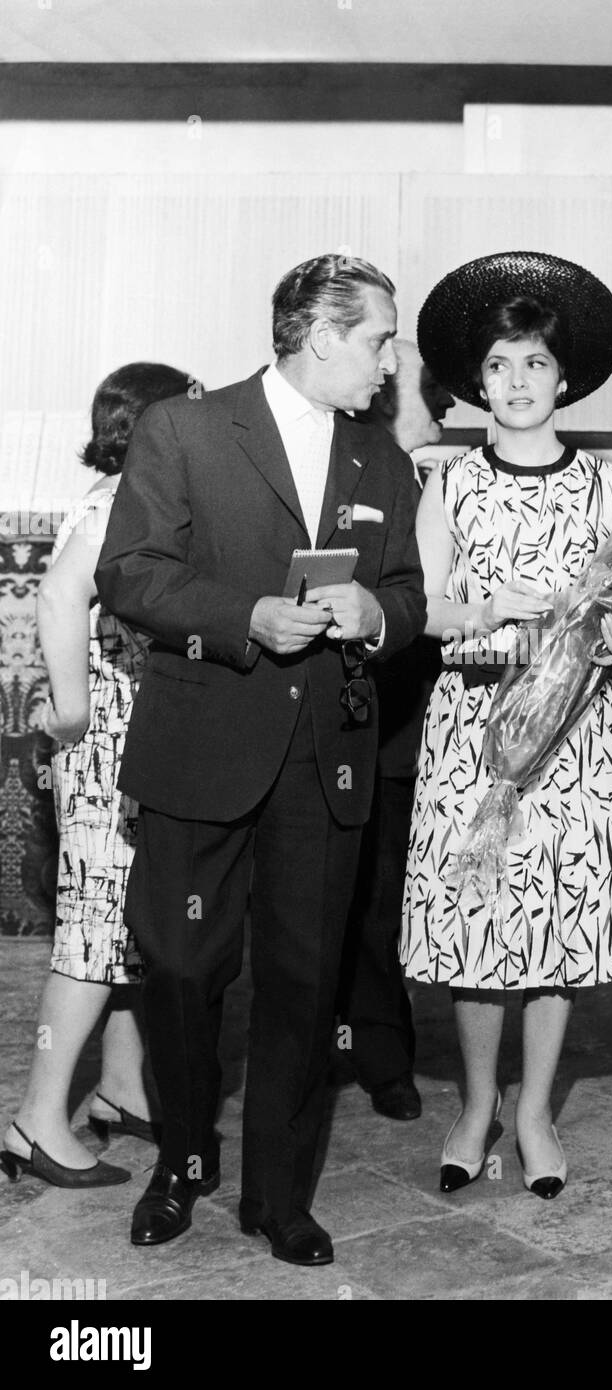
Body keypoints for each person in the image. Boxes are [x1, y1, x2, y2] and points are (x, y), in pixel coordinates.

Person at [95, 254, 426, 1265]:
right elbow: (132, 573)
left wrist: (380, 613)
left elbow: (409, 591)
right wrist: (243, 617)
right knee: (182, 969)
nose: (389, 362)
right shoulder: (185, 429)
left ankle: (279, 1196)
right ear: (322, 335)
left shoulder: (383, 460)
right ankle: (184, 1161)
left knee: (301, 982)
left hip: (324, 762)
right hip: (201, 748)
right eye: (378, 339)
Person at [401, 251, 612, 1200]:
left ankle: (536, 1110)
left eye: (536, 365)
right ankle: (475, 1106)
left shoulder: (608, 486)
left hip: (580, 727)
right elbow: (420, 608)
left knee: (558, 921)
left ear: (564, 377)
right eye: (501, 366)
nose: (517, 384)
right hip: (477, 724)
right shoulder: (451, 482)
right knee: (479, 918)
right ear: (478, 379)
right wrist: (489, 606)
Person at [1, 363, 190, 1189]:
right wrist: (74, 714)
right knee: (90, 937)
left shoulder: (124, 493)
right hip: (109, 747)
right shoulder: (121, 502)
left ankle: (117, 1091)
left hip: (131, 745)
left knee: (125, 931)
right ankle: (37, 1123)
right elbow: (55, 595)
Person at [339, 340, 454, 1121]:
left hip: (410, 730)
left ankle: (383, 1057)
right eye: (431, 396)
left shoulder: (445, 484)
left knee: (381, 901)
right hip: (334, 722)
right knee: (322, 900)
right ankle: (324, 1045)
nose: (443, 411)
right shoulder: (343, 469)